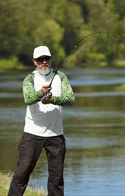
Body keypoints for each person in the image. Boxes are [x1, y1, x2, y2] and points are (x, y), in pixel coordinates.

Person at [8, 46, 75, 196]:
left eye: (47, 59)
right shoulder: (29, 79)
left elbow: (71, 99)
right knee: (22, 174)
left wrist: (53, 100)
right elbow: (28, 98)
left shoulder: (61, 77)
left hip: (56, 135)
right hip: (32, 134)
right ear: (34, 62)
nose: (44, 62)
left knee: (56, 179)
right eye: (40, 60)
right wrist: (41, 93)